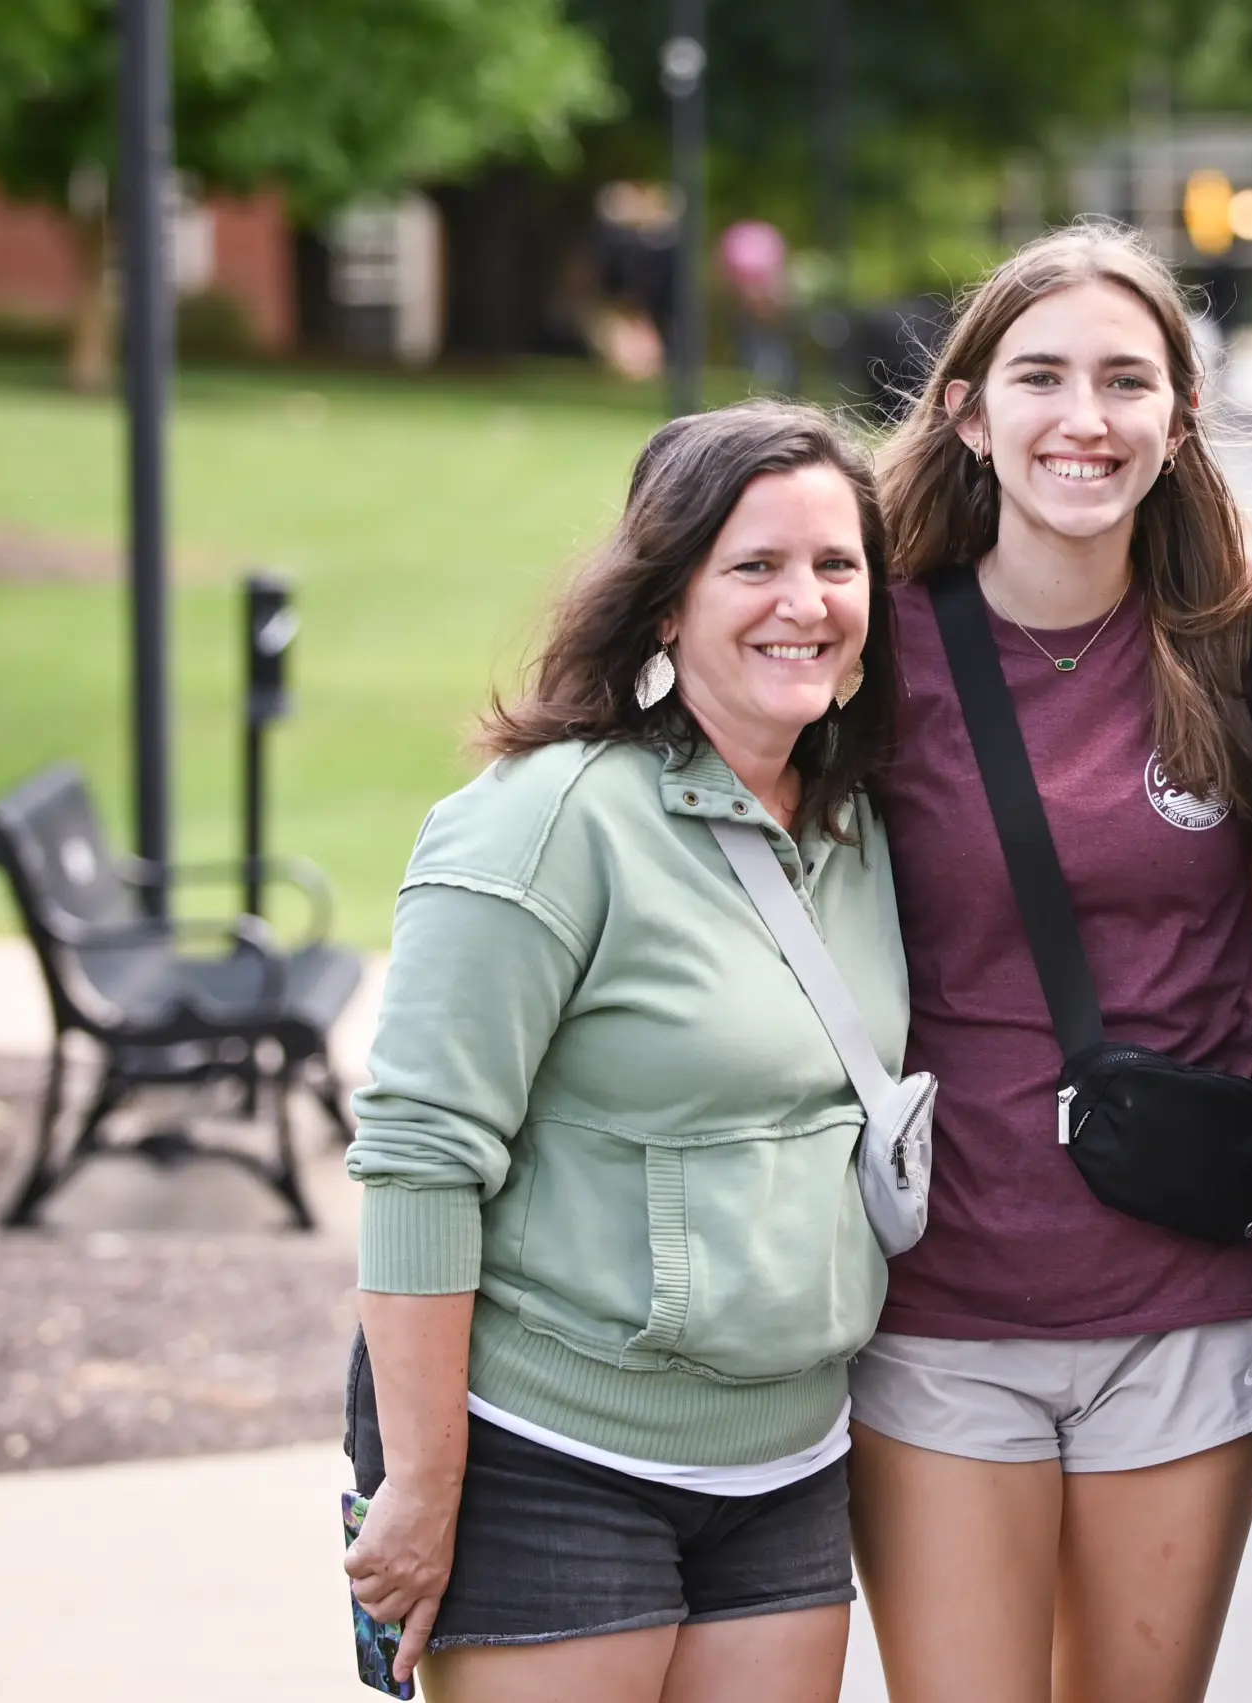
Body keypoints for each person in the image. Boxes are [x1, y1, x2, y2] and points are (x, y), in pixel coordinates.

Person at [340, 401, 907, 1702]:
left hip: (790, 1467)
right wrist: (422, 1484)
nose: (803, 601)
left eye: (836, 564)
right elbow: (420, 1155)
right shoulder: (548, 823)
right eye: (752, 565)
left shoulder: (857, 828)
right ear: (665, 602)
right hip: (553, 1462)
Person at [844, 224, 1252, 1703]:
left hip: (1185, 1293)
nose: (1082, 419)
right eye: (1039, 376)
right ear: (968, 409)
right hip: (941, 1300)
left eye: (1123, 380)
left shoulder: (1240, 637)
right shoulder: (867, 647)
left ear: (1178, 416)